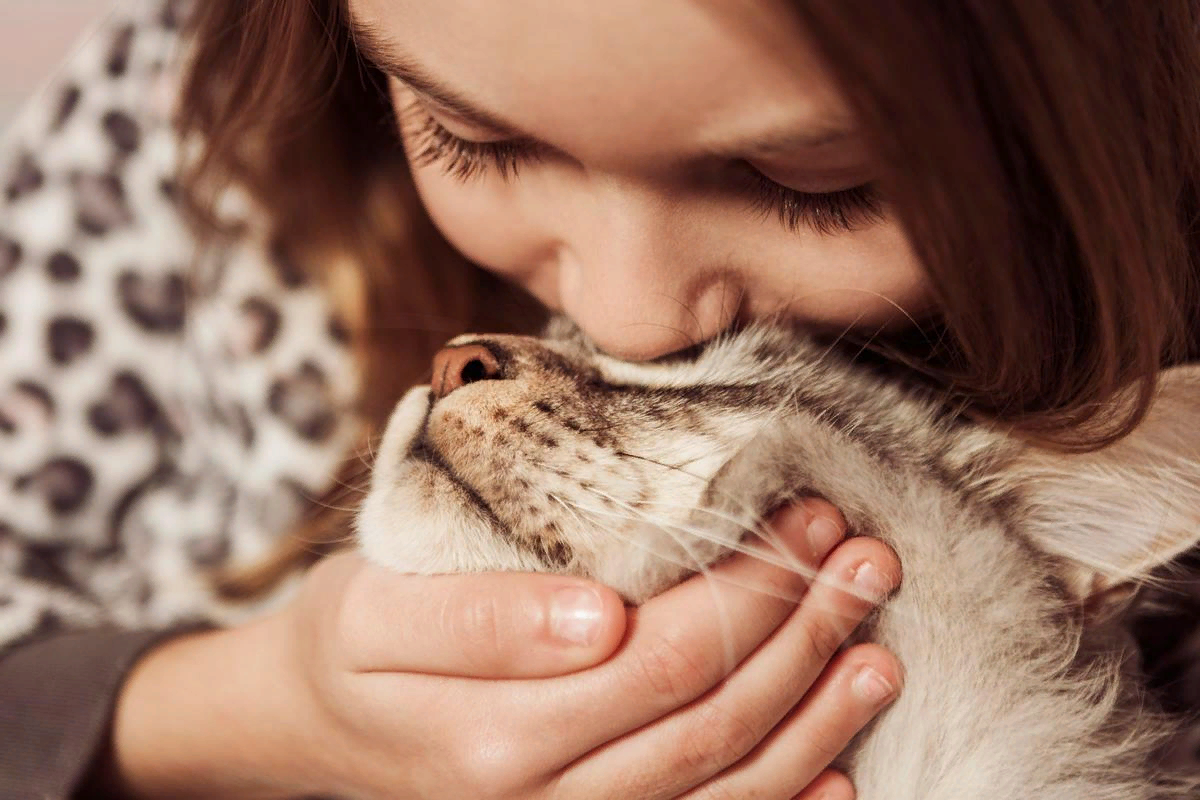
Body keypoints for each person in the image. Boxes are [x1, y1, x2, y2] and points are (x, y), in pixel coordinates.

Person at [0, 0, 1196, 797]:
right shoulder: (165, 132)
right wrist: (258, 707)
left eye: (819, 184)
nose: (622, 315)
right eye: (469, 135)